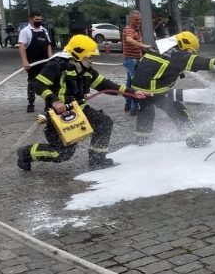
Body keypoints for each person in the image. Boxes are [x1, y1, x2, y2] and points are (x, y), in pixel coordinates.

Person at [16, 34, 145, 171]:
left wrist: (132, 92)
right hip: (59, 113)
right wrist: (55, 102)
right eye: (89, 56)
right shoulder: (56, 65)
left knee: (104, 123)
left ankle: (97, 159)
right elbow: (39, 84)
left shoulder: (85, 68)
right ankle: (27, 152)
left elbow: (104, 85)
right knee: (62, 153)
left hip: (78, 108)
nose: (91, 59)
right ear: (79, 53)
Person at [131, 31, 215, 147]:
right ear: (185, 44)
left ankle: (141, 139)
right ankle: (192, 138)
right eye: (190, 49)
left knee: (146, 110)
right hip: (154, 89)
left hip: (137, 86)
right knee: (177, 110)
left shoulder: (159, 48)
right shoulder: (180, 55)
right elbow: (198, 62)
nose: (190, 52)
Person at [18, 12, 53, 112]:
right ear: (30, 19)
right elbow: (22, 47)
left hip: (45, 62)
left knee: (48, 83)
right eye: (36, 20)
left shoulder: (44, 30)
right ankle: (31, 103)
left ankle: (48, 104)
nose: (39, 22)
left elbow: (48, 44)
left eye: (40, 20)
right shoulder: (25, 31)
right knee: (32, 83)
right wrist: (25, 62)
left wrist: (50, 57)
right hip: (33, 62)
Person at [122, 10, 152, 115]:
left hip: (136, 59)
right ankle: (135, 109)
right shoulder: (128, 29)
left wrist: (145, 50)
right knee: (136, 84)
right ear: (130, 19)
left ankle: (127, 105)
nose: (139, 21)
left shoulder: (137, 29)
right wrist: (143, 46)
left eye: (140, 20)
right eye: (136, 20)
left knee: (129, 84)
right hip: (130, 60)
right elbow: (129, 40)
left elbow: (138, 43)